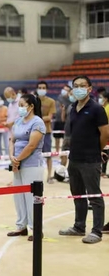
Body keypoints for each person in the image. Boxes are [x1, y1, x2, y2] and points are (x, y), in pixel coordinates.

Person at [59, 76, 108, 244]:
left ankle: (97, 231)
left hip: (90, 159)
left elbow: (105, 134)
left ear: (89, 88)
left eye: (82, 86)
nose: (78, 88)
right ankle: (79, 227)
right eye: (75, 86)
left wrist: (97, 150)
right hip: (75, 158)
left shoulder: (96, 109)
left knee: (94, 196)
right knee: (77, 194)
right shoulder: (73, 107)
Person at [7, 94, 46, 241]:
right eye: (19, 105)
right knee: (19, 196)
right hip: (17, 164)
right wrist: (12, 158)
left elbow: (31, 146)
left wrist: (18, 159)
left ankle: (36, 229)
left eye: (23, 105)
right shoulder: (18, 121)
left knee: (32, 198)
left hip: (31, 165)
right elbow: (12, 140)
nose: (20, 108)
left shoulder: (38, 123)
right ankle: (21, 225)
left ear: (31, 107)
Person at [36, 81, 56, 184]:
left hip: (46, 131)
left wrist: (37, 119)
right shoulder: (33, 101)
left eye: (43, 87)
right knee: (35, 155)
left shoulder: (51, 101)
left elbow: (49, 117)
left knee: (48, 155)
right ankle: (36, 176)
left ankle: (49, 175)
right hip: (34, 132)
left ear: (46, 89)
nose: (41, 89)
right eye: (40, 87)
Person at [53, 85, 71, 153]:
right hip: (57, 120)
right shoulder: (59, 98)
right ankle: (57, 151)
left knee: (64, 138)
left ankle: (64, 153)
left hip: (65, 122)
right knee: (56, 137)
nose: (64, 91)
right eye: (64, 89)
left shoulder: (70, 100)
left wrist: (64, 110)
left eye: (66, 90)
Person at [99, 91, 109, 178]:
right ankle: (103, 171)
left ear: (105, 99)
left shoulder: (107, 108)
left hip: (107, 133)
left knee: (105, 152)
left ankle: (103, 171)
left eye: (101, 97)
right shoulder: (105, 107)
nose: (100, 99)